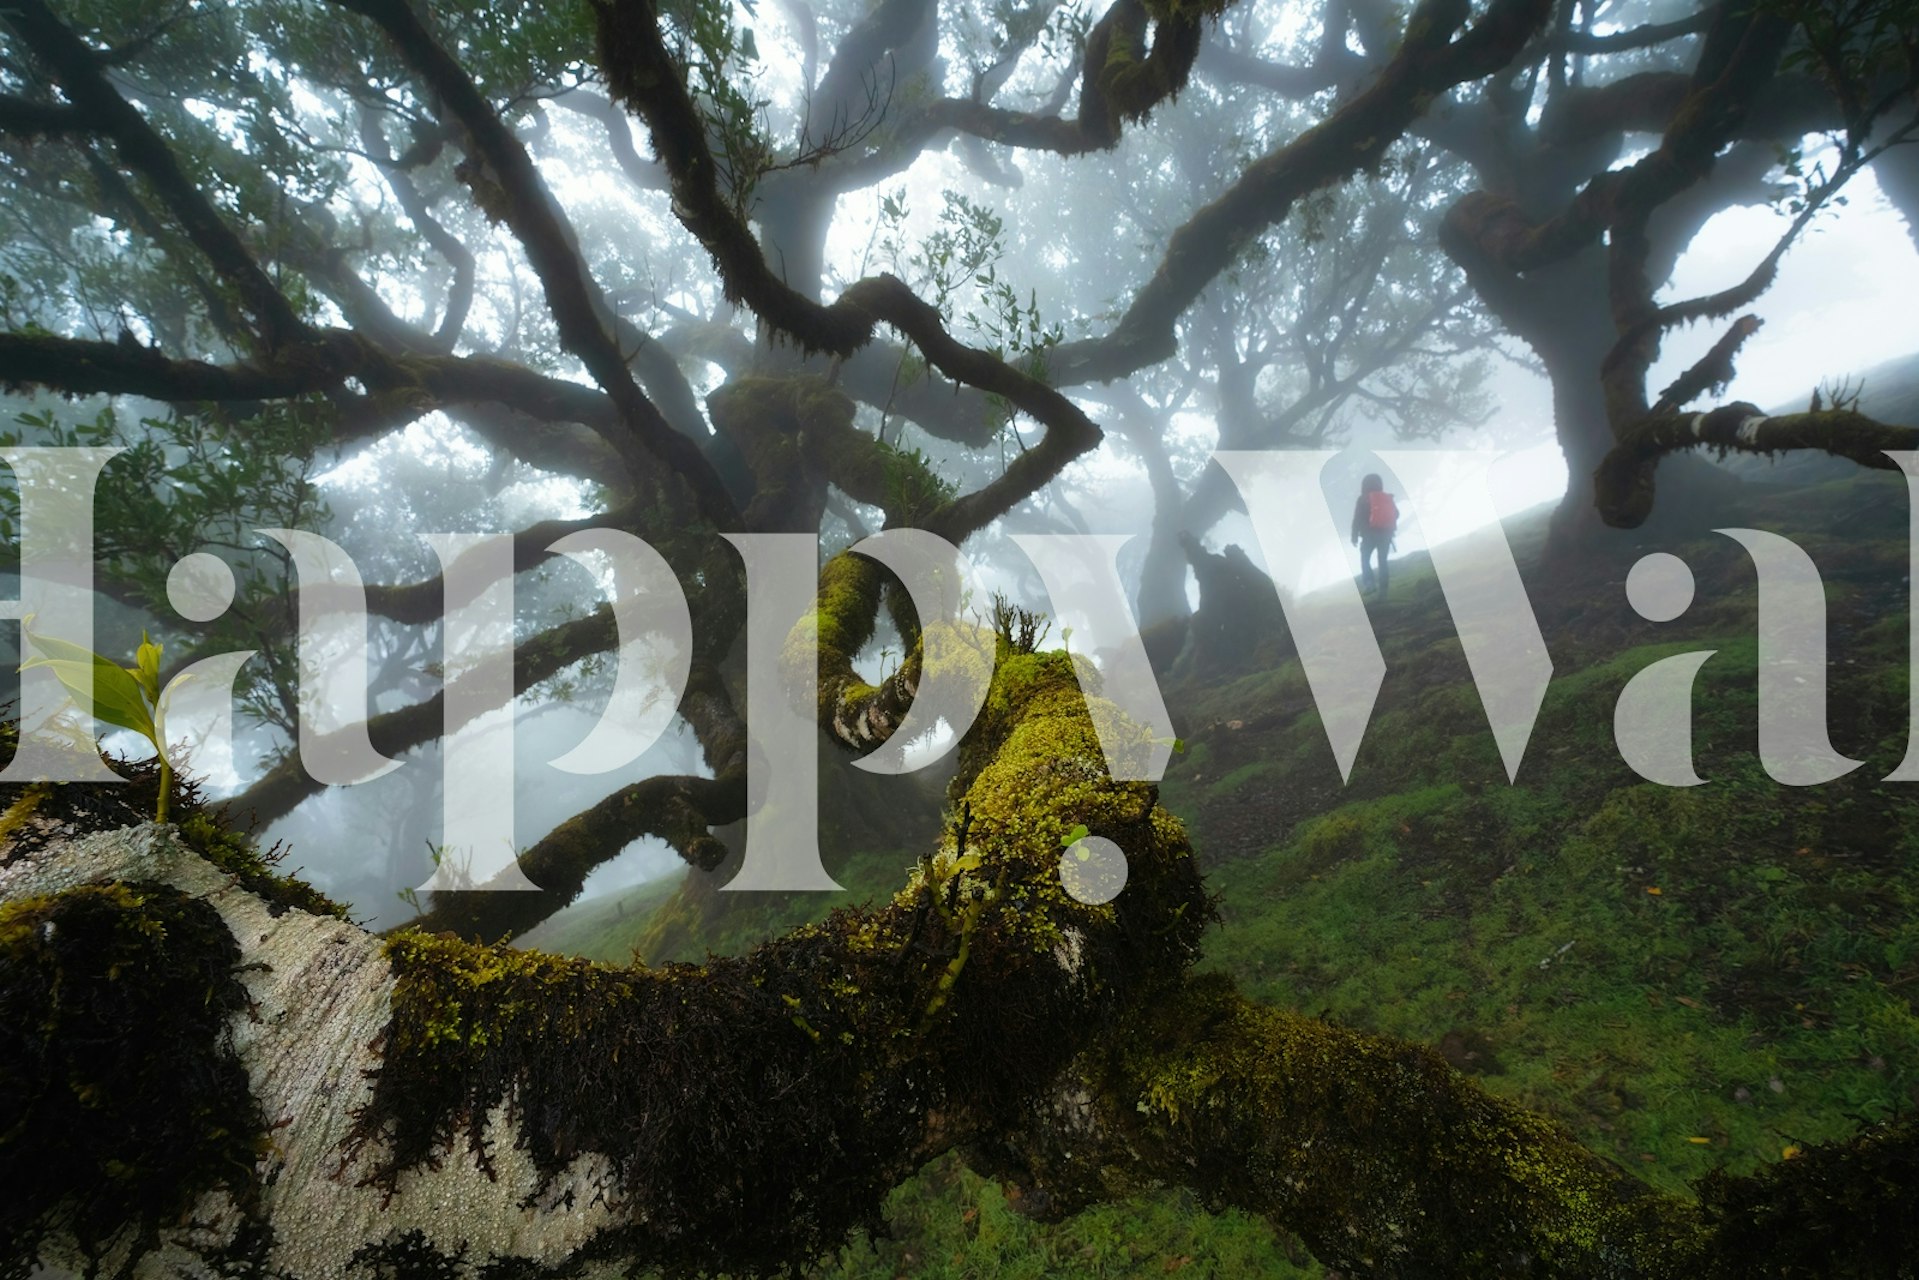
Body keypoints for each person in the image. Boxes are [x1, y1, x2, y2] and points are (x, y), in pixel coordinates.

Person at [1351, 473, 1398, 597]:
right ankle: (1383, 591)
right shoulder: (1386, 497)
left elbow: (1357, 519)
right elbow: (1396, 514)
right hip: (1386, 535)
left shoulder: (1362, 499)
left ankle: (1370, 584)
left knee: (1365, 559)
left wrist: (1354, 536)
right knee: (1382, 561)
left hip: (1368, 536)